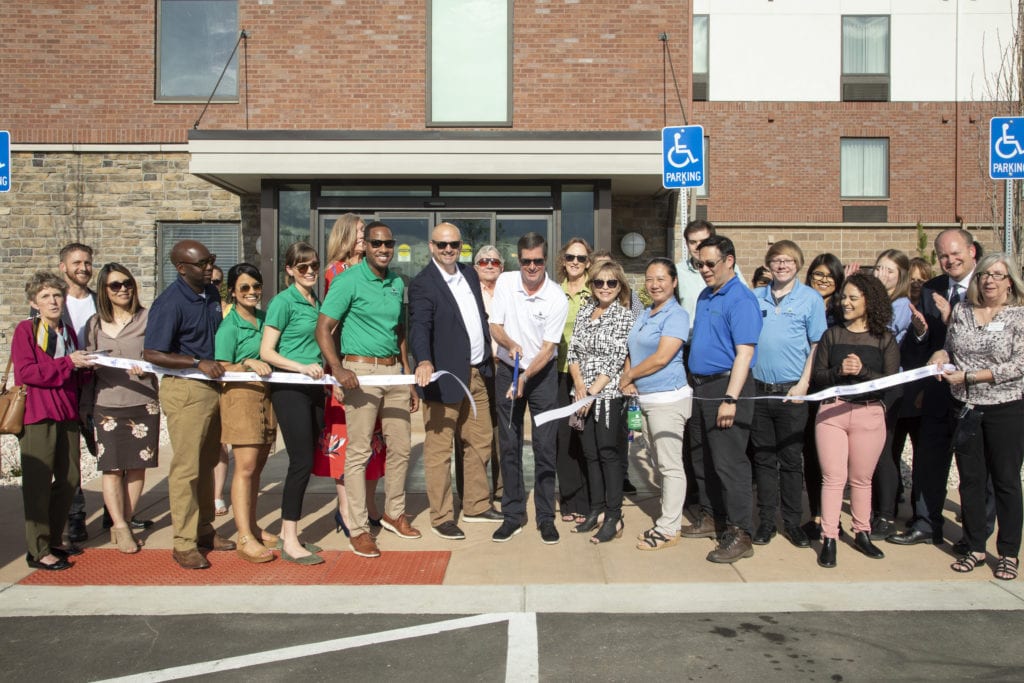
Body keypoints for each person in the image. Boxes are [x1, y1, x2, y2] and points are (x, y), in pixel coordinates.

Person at [316, 222, 421, 559]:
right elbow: (324, 328)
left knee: (401, 447)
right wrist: (337, 367)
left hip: (393, 372)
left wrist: (406, 374)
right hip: (360, 372)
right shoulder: (348, 280)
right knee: (359, 454)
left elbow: (399, 330)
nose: (383, 248)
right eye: (376, 242)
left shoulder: (395, 282)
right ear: (368, 246)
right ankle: (359, 529)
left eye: (388, 243)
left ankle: (393, 513)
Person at [931, 253, 1024, 580]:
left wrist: (972, 376)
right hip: (967, 408)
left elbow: (1018, 366)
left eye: (998, 275)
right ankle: (974, 546)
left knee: (1006, 482)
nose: (989, 280)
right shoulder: (962, 312)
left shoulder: (1018, 316)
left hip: (1006, 408)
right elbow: (950, 348)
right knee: (970, 480)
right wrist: (940, 355)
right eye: (985, 274)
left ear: (1009, 281)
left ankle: (1009, 552)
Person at [144, 240, 233, 570]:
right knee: (187, 468)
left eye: (210, 260)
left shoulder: (210, 293)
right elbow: (151, 352)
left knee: (208, 462)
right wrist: (196, 362)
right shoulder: (170, 303)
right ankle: (183, 543)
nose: (209, 267)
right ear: (181, 268)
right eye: (201, 264)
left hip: (213, 388)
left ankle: (204, 529)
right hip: (186, 391)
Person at [410, 223, 502, 540]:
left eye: (454, 245)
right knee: (439, 451)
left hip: (477, 373)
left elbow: (480, 317)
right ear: (432, 246)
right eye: (442, 245)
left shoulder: (470, 274)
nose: (449, 250)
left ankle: (476, 505)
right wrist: (423, 360)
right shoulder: (423, 284)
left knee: (479, 442)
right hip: (444, 378)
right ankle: (442, 515)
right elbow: (419, 327)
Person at [889, 229, 977, 546]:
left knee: (974, 467)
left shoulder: (988, 287)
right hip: (938, 389)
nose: (949, 260)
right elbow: (922, 345)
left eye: (956, 254)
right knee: (929, 461)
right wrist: (922, 332)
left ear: (971, 252)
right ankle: (927, 525)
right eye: (943, 255)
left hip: (977, 390)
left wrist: (953, 319)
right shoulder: (932, 288)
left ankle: (975, 535)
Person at [682, 234, 762, 564]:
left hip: (727, 388)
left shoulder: (741, 299)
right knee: (703, 459)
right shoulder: (705, 295)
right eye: (698, 263)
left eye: (710, 263)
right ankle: (712, 517)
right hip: (702, 388)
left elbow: (744, 353)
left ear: (729, 260)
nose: (703, 269)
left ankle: (740, 532)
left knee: (730, 464)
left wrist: (730, 398)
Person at [812, 273, 900, 568]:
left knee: (862, 479)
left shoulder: (885, 338)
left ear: (869, 301)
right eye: (843, 297)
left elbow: (890, 382)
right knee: (833, 478)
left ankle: (862, 532)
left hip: (869, 413)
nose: (845, 303)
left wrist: (862, 372)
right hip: (832, 413)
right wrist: (839, 371)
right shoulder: (832, 335)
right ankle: (829, 538)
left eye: (852, 297)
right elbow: (817, 377)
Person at [488, 232, 569, 544]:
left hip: (541, 374)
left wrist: (525, 376)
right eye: (526, 261)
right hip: (509, 368)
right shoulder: (507, 282)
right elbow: (495, 326)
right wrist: (511, 345)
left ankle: (546, 518)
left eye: (537, 261)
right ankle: (512, 514)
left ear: (545, 260)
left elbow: (548, 349)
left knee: (545, 446)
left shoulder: (556, 296)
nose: (532, 266)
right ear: (518, 260)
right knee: (508, 444)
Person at [13, 272, 95, 570]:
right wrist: (68, 363)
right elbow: (27, 373)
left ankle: (53, 537)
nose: (53, 301)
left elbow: (70, 374)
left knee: (70, 478)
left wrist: (87, 365)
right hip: (38, 413)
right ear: (34, 303)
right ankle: (38, 549)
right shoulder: (26, 331)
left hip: (66, 412)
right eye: (45, 296)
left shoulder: (68, 333)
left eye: (57, 295)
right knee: (37, 482)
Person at [749, 241, 825, 549]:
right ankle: (767, 521)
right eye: (776, 260)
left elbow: (817, 344)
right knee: (764, 459)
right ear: (768, 265)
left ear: (798, 264)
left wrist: (804, 384)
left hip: (792, 392)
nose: (782, 265)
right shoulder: (755, 298)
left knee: (792, 460)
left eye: (788, 260)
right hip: (759, 392)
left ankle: (792, 522)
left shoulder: (811, 299)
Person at [80, 263, 159, 555]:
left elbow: (159, 357)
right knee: (111, 468)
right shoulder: (94, 324)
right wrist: (85, 406)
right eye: (115, 285)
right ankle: (120, 526)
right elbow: (88, 367)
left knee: (137, 467)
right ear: (104, 290)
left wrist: (148, 370)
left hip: (143, 401)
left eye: (127, 283)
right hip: (107, 404)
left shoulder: (147, 318)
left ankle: (125, 519)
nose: (123, 289)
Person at [316, 213, 385, 538]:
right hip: (346, 366)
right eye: (360, 233)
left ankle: (368, 505)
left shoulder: (373, 271)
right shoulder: (337, 273)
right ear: (345, 236)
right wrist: (338, 371)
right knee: (347, 439)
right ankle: (345, 508)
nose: (364, 238)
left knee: (372, 437)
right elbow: (332, 327)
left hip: (375, 369)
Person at [259, 242, 327, 566]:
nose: (310, 271)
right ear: (289, 270)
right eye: (303, 267)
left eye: (314, 265)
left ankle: (293, 532)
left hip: (314, 387)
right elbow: (267, 352)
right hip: (289, 388)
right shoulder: (282, 302)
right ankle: (289, 538)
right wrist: (300, 367)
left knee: (308, 459)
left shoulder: (315, 301)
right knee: (300, 461)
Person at [619, 258, 689, 550]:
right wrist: (628, 376)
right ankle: (666, 518)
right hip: (644, 398)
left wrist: (629, 375)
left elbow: (662, 357)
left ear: (673, 282)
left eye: (661, 278)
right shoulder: (646, 312)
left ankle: (670, 527)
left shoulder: (677, 315)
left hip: (668, 399)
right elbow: (631, 348)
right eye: (650, 279)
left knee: (670, 466)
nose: (655, 284)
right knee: (660, 463)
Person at [568, 259, 635, 544]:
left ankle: (613, 516)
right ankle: (595, 510)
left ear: (619, 286)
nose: (605, 287)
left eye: (611, 283)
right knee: (591, 455)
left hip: (607, 396)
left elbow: (616, 358)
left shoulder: (624, 316)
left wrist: (593, 393)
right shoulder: (585, 311)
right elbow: (573, 352)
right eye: (599, 282)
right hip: (581, 395)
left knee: (609, 455)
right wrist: (581, 389)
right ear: (592, 285)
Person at [215, 263, 278, 563]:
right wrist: (246, 364)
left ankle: (251, 524)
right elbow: (220, 365)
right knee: (246, 466)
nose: (252, 292)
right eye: (245, 288)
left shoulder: (264, 319)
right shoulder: (229, 325)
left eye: (256, 286)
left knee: (259, 466)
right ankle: (243, 536)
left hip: (266, 397)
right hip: (240, 397)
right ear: (233, 292)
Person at [868, 248, 913, 539]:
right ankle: (873, 509)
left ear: (901, 277)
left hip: (889, 388)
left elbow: (876, 334)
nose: (882, 274)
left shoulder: (901, 305)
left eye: (890, 271)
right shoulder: (875, 300)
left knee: (883, 452)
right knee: (870, 452)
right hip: (869, 383)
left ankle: (885, 514)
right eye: (879, 268)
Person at [801, 252, 845, 537]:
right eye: (818, 274)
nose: (823, 280)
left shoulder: (842, 310)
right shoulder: (804, 303)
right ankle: (817, 514)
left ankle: (833, 518)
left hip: (833, 387)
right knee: (811, 454)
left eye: (829, 276)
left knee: (833, 459)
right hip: (806, 387)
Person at [56, 243, 96, 544]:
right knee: (69, 458)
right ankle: (75, 516)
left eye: (87, 262)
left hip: (97, 384)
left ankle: (117, 510)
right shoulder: (53, 302)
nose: (83, 267)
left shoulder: (100, 301)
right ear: (63, 267)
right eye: (76, 262)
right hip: (67, 386)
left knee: (106, 449)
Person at [555, 238, 592, 524]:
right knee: (564, 437)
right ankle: (569, 501)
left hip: (590, 375)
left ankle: (589, 499)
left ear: (588, 261)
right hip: (559, 372)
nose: (575, 262)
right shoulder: (556, 292)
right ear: (563, 260)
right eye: (571, 257)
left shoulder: (600, 289)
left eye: (580, 258)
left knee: (586, 438)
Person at [472, 245, 504, 500]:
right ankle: (476, 493)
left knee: (503, 429)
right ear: (476, 267)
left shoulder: (509, 293)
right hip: (479, 368)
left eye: (494, 261)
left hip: (504, 366)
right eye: (484, 262)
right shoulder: (469, 293)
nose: (490, 265)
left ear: (502, 267)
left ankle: (503, 490)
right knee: (477, 432)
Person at [210, 264, 230, 518]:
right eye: (210, 280)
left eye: (218, 281)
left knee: (221, 444)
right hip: (200, 381)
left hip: (226, 383)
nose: (213, 284)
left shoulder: (229, 311)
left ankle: (217, 495)